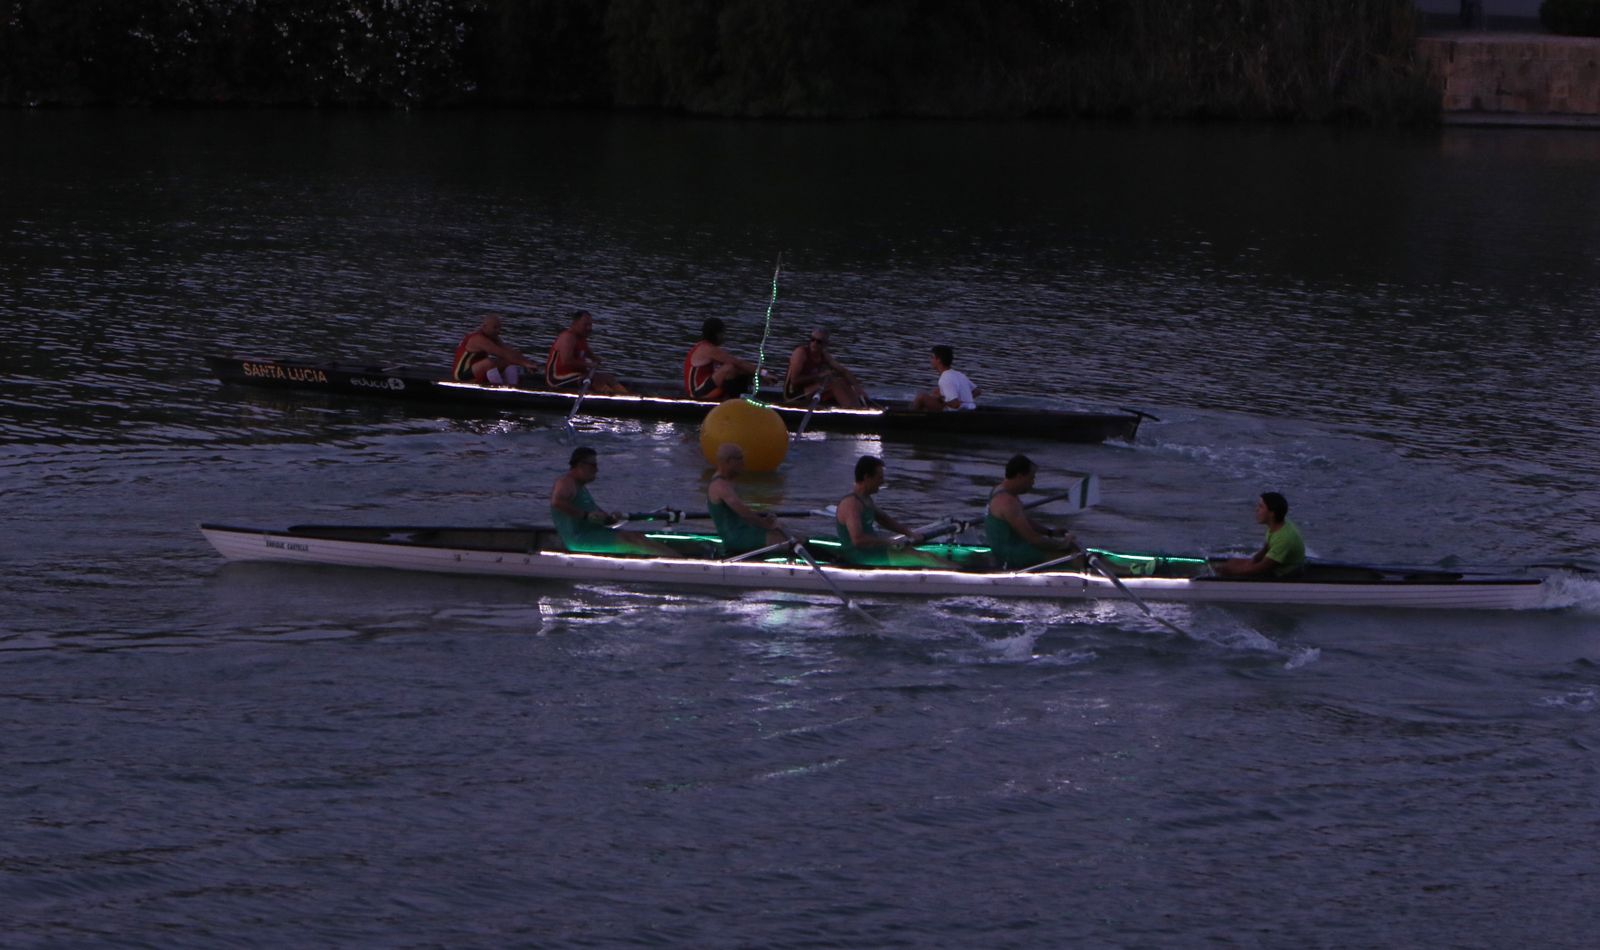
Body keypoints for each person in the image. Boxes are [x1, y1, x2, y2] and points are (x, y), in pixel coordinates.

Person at [549, 447, 676, 556]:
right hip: (579, 540)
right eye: (593, 465)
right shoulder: (566, 482)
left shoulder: (580, 487)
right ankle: (678, 565)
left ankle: (676, 560)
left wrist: (612, 518)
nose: (596, 470)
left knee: (637, 537)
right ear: (581, 465)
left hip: (594, 534)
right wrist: (586, 516)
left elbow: (601, 519)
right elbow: (557, 502)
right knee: (634, 542)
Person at [835, 456, 955, 568]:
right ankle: (964, 576)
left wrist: (909, 533)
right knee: (926, 558)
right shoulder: (851, 504)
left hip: (874, 551)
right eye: (879, 478)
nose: (882, 482)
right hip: (859, 557)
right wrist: (888, 542)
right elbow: (858, 540)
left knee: (926, 555)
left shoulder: (866, 499)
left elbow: (884, 519)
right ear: (867, 477)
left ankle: (958, 570)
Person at [985, 454, 1081, 570]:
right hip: (1011, 554)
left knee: (1067, 549)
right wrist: (1063, 544)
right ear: (1020, 476)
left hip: (1011, 546)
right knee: (1074, 556)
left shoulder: (999, 490)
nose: (1033, 483)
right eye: (1031, 478)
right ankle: (1086, 585)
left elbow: (1023, 520)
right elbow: (1034, 539)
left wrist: (1049, 532)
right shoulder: (1007, 502)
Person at [706, 443, 789, 556]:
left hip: (744, 530)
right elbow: (744, 513)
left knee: (786, 532)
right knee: (786, 542)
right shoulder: (720, 486)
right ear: (729, 461)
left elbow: (743, 513)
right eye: (740, 459)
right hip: (736, 538)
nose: (743, 463)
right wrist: (767, 525)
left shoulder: (727, 481)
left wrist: (764, 519)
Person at [1212, 491, 1306, 578]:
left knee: (1235, 571)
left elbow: (1262, 568)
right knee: (1233, 562)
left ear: (1272, 513)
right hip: (1279, 564)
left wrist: (1233, 572)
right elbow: (1267, 547)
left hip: (1285, 573)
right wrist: (1251, 561)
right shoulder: (1277, 523)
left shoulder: (1284, 538)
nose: (1256, 510)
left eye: (1261, 507)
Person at [783, 328, 871, 408]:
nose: (814, 344)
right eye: (812, 340)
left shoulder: (824, 355)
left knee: (842, 381)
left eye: (819, 342)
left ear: (825, 344)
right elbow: (795, 381)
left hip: (811, 390)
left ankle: (857, 408)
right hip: (794, 395)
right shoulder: (801, 353)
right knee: (833, 384)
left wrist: (857, 387)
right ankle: (850, 410)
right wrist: (819, 376)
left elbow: (843, 371)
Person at [545, 309, 627, 394]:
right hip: (557, 378)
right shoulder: (568, 337)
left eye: (590, 325)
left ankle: (627, 396)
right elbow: (567, 361)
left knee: (608, 377)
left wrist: (596, 359)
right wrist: (589, 364)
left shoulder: (581, 337)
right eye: (585, 325)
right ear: (575, 323)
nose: (589, 328)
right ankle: (609, 397)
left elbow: (588, 353)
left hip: (575, 374)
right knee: (594, 380)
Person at [684, 317, 767, 400]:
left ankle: (741, 397)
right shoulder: (708, 349)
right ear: (717, 334)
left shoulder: (705, 347)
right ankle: (733, 401)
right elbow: (738, 362)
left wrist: (758, 374)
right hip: (697, 394)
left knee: (739, 369)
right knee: (729, 368)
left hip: (705, 387)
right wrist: (764, 373)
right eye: (723, 333)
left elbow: (740, 366)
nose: (724, 337)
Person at [452, 314, 539, 387]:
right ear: (485, 327)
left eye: (499, 328)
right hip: (462, 375)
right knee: (489, 363)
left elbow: (508, 351)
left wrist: (528, 363)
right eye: (495, 328)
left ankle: (513, 387)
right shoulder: (478, 339)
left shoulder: (493, 337)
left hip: (477, 369)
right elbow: (501, 353)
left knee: (509, 361)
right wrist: (524, 364)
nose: (498, 331)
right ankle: (499, 389)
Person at [908, 345, 979, 411]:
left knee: (921, 397)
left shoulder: (945, 378)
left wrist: (940, 399)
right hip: (971, 410)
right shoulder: (959, 374)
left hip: (958, 415)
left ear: (939, 360)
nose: (931, 360)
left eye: (932, 357)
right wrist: (965, 398)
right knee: (935, 393)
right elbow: (977, 391)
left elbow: (955, 404)